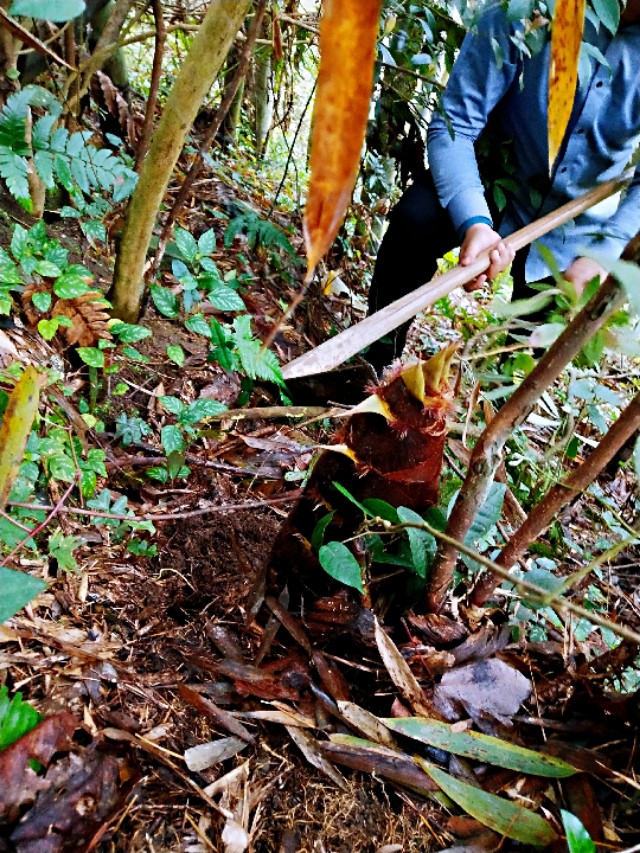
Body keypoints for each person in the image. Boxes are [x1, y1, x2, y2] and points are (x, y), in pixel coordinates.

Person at [366, 0, 640, 373]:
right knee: (416, 220)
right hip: (494, 176)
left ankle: (486, 417)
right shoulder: (529, 10)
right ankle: (372, 363)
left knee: (521, 362)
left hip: (573, 226)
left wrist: (605, 254)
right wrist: (474, 221)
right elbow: (455, 124)